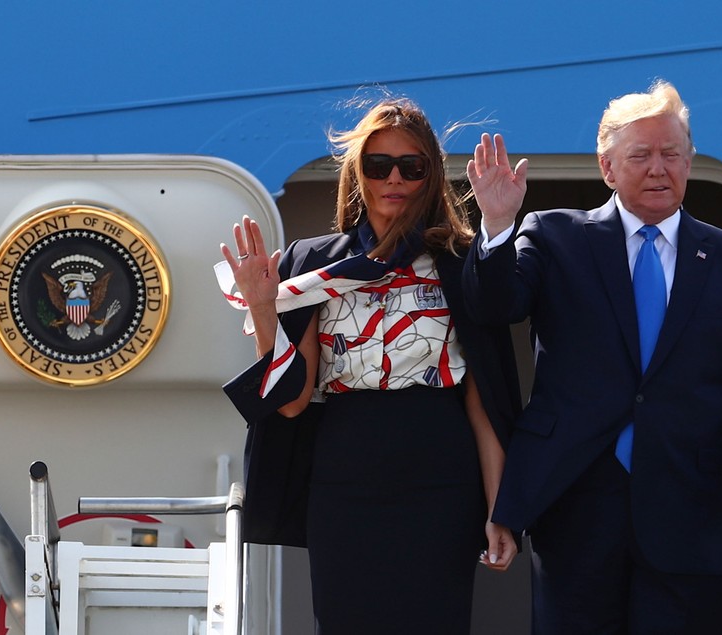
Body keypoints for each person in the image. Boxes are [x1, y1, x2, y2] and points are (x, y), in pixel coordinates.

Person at [462, 79, 722, 634]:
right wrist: (496, 227)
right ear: (608, 167)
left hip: (691, 510)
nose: (658, 168)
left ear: (689, 162)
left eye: (672, 154)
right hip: (575, 506)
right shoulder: (554, 236)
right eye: (640, 155)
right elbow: (496, 306)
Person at [216, 96, 521, 635]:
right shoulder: (315, 265)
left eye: (412, 166)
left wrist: (501, 508)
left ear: (430, 175)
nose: (394, 178)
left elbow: (483, 399)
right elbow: (289, 400)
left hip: (442, 482)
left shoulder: (458, 260)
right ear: (359, 174)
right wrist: (264, 306)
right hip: (345, 481)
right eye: (379, 165)